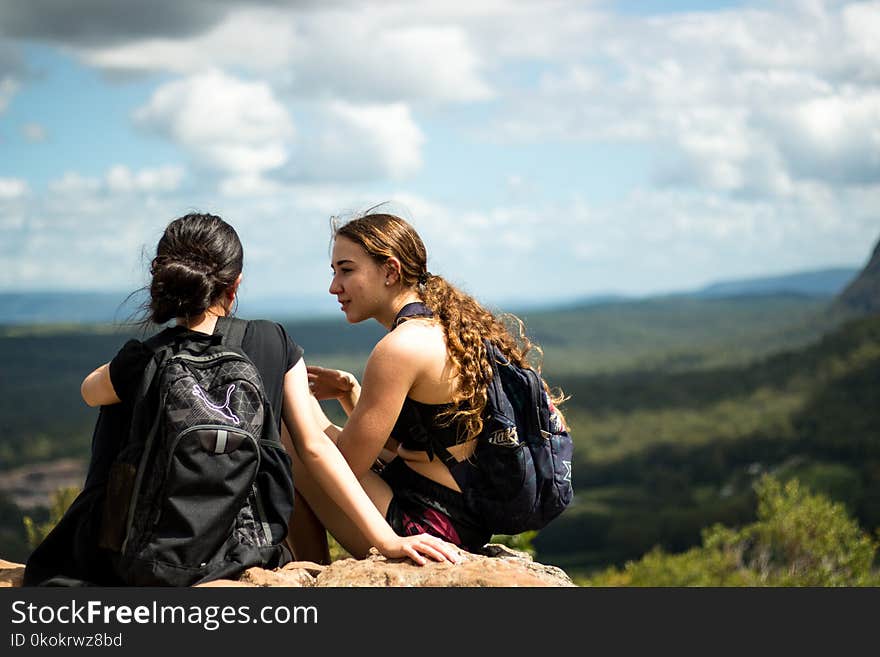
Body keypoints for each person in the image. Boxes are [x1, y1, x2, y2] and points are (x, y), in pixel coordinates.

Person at [23, 212, 458, 586]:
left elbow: (88, 392)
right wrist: (386, 541)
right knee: (286, 430)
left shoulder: (146, 358)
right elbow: (314, 447)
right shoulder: (272, 340)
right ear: (235, 285)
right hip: (246, 549)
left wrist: (140, 361)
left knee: (117, 407)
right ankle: (312, 568)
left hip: (149, 557)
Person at [293, 209, 567, 562]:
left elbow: (345, 464)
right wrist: (350, 394)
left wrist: (298, 400)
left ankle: (308, 576)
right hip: (458, 521)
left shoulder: (399, 348)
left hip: (423, 528)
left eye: (346, 270)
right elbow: (421, 442)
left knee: (290, 432)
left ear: (390, 271)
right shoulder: (448, 328)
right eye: (334, 272)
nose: (334, 286)